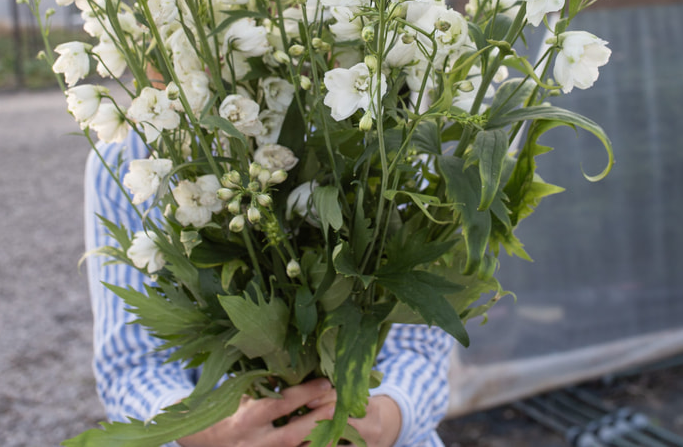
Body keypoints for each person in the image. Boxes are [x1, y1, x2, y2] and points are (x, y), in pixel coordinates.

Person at [84, 130, 456, 447]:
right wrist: (206, 431)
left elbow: (419, 343)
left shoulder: (392, 132)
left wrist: (386, 418)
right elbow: (131, 364)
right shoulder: (125, 154)